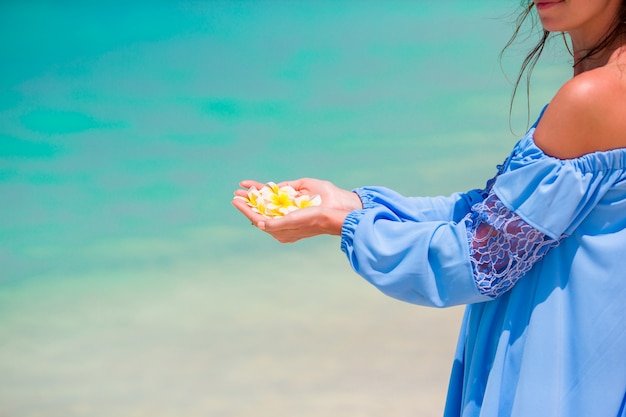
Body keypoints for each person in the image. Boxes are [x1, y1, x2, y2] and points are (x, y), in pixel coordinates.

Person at [232, 1, 626, 416]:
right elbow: (498, 217)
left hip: (554, 376)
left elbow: (480, 260)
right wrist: (359, 203)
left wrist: (346, 225)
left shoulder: (594, 94)